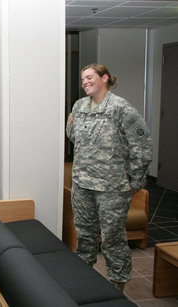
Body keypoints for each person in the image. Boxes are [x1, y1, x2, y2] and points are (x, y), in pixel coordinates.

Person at [66, 63, 152, 292]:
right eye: (82, 79)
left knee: (112, 237)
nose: (84, 82)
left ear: (105, 78)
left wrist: (136, 181)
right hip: (82, 183)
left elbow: (142, 145)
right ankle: (84, 277)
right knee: (84, 234)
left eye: (89, 77)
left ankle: (118, 282)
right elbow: (74, 136)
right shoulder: (79, 106)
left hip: (112, 187)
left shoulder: (120, 107)